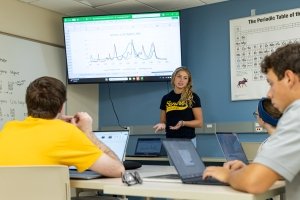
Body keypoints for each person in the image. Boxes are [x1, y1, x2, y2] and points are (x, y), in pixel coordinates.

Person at [203, 43, 300, 199]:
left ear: (288, 78)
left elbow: (254, 183)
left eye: (271, 83)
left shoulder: (297, 114)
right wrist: (249, 171)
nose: (269, 93)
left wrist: (227, 175)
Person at [0, 76, 125, 177]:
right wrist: (87, 132)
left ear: (28, 104)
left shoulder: (9, 129)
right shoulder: (67, 132)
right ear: (61, 107)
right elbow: (118, 170)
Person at [153, 66, 203, 145]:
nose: (181, 80)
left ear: (188, 81)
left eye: (185, 78)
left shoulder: (193, 97)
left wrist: (183, 123)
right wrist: (162, 124)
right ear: (174, 78)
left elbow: (199, 123)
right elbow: (163, 121)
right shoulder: (166, 98)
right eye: (179, 76)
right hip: (170, 141)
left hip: (188, 140)